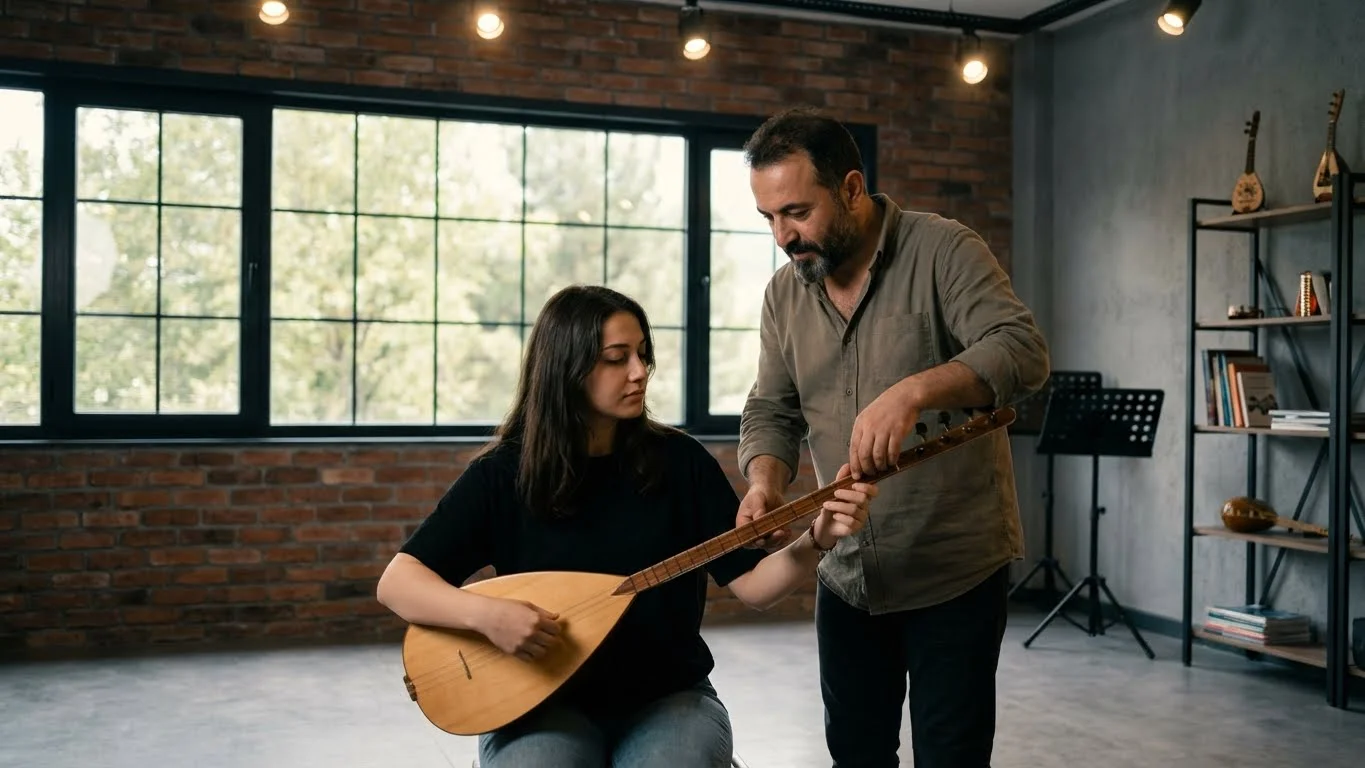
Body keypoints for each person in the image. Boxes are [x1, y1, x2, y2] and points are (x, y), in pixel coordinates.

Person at [376, 284, 879, 768]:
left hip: (667, 698)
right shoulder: (505, 473)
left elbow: (753, 585)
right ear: (566, 369)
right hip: (538, 701)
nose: (639, 372)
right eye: (617, 358)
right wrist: (488, 618)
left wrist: (816, 539)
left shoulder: (678, 462)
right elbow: (398, 583)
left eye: (643, 354)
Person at [734, 107, 1050, 768]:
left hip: (952, 569)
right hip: (848, 574)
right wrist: (765, 481)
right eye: (767, 218)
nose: (782, 236)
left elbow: (1021, 352)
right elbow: (771, 406)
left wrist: (913, 390)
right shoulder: (782, 296)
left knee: (950, 755)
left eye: (795, 211)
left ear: (850, 188)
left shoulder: (944, 249)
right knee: (854, 753)